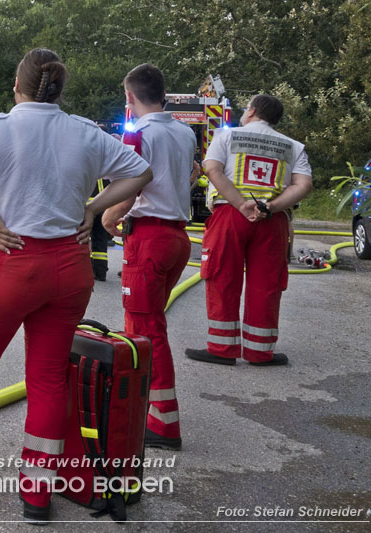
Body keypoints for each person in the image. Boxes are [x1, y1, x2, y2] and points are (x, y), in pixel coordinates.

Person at [0, 48, 152, 523]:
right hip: (69, 267)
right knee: (46, 377)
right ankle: (38, 493)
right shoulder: (85, 132)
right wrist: (91, 208)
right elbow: (140, 173)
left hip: (12, 261)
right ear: (60, 91)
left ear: (16, 87)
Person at [102, 64, 200, 451]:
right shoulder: (183, 131)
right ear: (164, 93)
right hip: (177, 236)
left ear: (130, 97)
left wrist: (106, 216)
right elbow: (191, 174)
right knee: (150, 324)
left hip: (150, 238)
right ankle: (145, 408)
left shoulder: (139, 134)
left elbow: (130, 183)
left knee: (145, 331)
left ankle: (163, 423)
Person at [185, 94, 313, 366]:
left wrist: (241, 204)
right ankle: (260, 352)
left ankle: (221, 348)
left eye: (246, 109)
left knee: (222, 277)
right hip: (272, 220)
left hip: (229, 214)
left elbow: (212, 169)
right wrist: (272, 206)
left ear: (252, 111)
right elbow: (303, 185)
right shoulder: (293, 147)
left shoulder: (227, 136)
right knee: (266, 283)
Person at [88, 178, 111, 280]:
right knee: (101, 239)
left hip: (88, 207)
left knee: (84, 239)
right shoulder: (104, 165)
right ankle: (101, 272)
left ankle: (89, 270)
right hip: (104, 207)